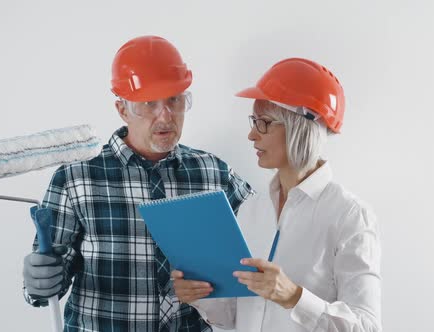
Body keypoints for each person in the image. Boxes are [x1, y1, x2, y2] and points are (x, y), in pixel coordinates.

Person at [21, 35, 253, 332]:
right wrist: (38, 281)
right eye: (148, 104)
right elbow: (47, 286)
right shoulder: (76, 179)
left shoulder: (213, 172)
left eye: (175, 100)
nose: (166, 116)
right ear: (122, 109)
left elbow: (269, 233)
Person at [172, 58, 382, 331]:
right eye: (254, 121)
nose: (251, 135)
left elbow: (368, 326)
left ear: (299, 127)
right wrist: (201, 295)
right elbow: (235, 316)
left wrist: (294, 296)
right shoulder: (252, 209)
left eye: (264, 122)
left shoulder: (350, 216)